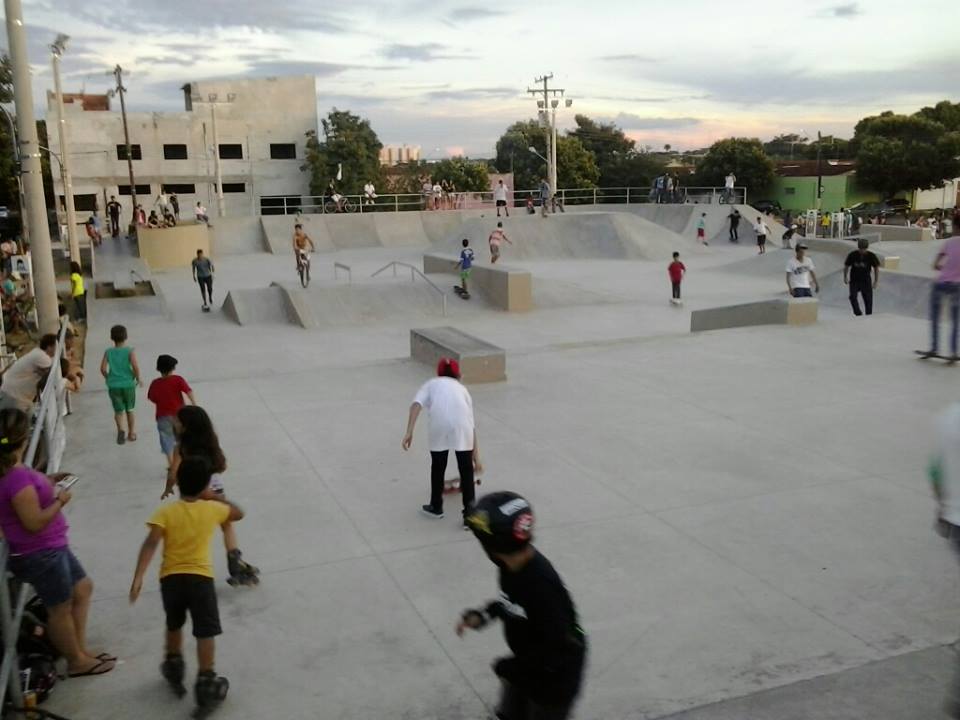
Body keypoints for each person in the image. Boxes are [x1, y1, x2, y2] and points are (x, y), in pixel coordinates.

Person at [0, 408, 117, 677]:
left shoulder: (14, 470)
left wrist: (48, 481)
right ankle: (76, 660)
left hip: (51, 547)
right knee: (59, 608)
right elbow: (33, 522)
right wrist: (59, 501)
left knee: (83, 588)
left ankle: (79, 649)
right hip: (40, 553)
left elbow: (26, 494)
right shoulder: (16, 478)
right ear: (24, 437)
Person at [129, 457, 243, 712]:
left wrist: (138, 577)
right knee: (205, 631)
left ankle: (173, 663)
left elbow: (150, 543)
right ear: (205, 486)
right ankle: (205, 680)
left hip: (171, 580)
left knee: (174, 623)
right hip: (200, 581)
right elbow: (238, 513)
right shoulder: (212, 509)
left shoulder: (166, 512)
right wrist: (214, 497)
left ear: (178, 482)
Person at [459, 492, 586, 720]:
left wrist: (512, 668)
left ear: (492, 545)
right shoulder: (512, 565)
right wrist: (483, 615)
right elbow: (511, 601)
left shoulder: (541, 586)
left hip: (554, 681)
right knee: (509, 712)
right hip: (528, 667)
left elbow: (560, 647)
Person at [162, 406, 259, 586]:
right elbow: (221, 464)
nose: (174, 422)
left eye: (177, 421)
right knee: (226, 524)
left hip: (194, 492)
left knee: (193, 530)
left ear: (185, 426)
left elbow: (173, 473)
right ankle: (234, 559)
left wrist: (168, 487)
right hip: (214, 489)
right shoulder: (210, 441)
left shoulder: (181, 447)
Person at [402, 358, 482, 526]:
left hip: (438, 424)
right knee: (466, 469)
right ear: (457, 374)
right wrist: (476, 457)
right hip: (462, 425)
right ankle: (470, 515)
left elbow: (416, 405)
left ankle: (436, 506)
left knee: (438, 465)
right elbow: (471, 424)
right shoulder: (463, 389)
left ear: (439, 372)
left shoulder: (431, 384)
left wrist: (409, 431)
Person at [148, 355, 194, 487]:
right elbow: (188, 391)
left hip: (162, 417)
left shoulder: (155, 383)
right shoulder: (178, 380)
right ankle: (180, 464)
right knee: (182, 440)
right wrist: (194, 403)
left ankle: (171, 466)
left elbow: (152, 397)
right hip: (180, 416)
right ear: (173, 367)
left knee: (166, 441)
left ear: (158, 369)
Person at [922, 226, 960, 360]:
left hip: (941, 283)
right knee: (955, 320)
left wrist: (945, 268)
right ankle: (954, 352)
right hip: (956, 286)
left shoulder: (949, 242)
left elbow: (935, 265)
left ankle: (934, 348)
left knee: (935, 317)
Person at [100, 324, 142, 445]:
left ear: (111, 337)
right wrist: (137, 377)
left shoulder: (108, 352)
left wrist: (109, 378)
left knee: (118, 411)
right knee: (130, 409)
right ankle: (131, 433)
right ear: (126, 336)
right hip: (128, 385)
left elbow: (102, 369)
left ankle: (121, 430)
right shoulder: (129, 351)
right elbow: (135, 366)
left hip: (114, 386)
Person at [0, 333, 57, 412]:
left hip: (14, 393)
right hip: (14, 395)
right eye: (56, 346)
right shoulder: (43, 357)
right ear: (49, 347)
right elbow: (52, 376)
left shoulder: (38, 352)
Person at [844, 238, 880, 316]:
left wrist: (876, 281)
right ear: (858, 248)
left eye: (864, 249)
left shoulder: (871, 256)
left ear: (866, 248)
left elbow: (876, 268)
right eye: (860, 249)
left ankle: (869, 315)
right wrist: (845, 277)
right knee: (852, 296)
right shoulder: (853, 255)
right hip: (854, 280)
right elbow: (846, 266)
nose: (862, 251)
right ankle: (858, 313)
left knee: (868, 300)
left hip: (866, 280)